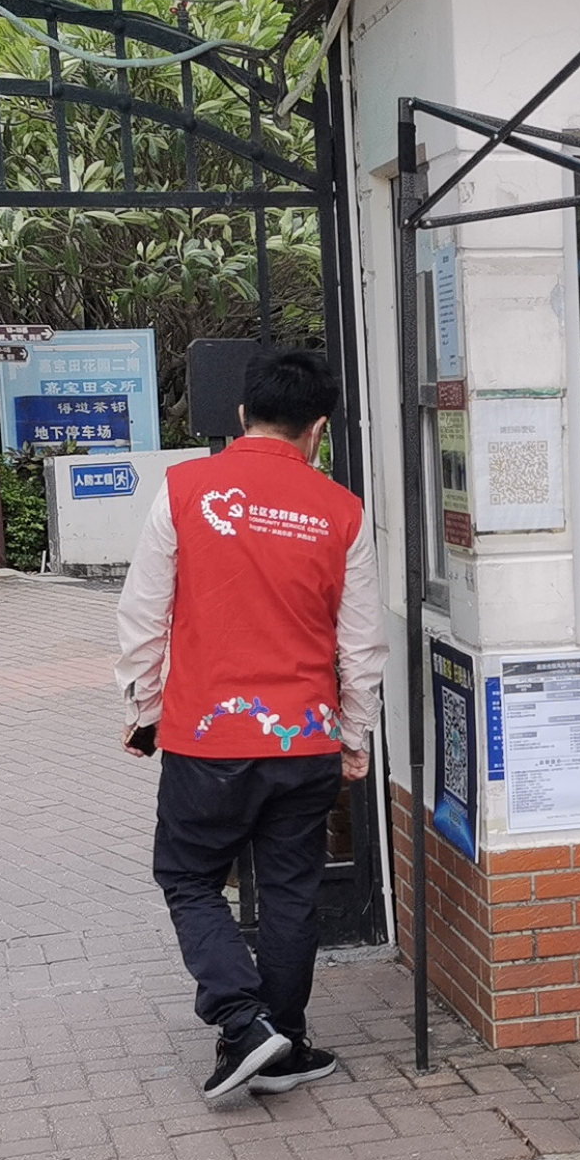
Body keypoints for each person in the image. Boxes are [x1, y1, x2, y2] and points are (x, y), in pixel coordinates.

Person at [115, 346, 385, 1101]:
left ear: (241, 415)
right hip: (305, 740)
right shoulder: (342, 511)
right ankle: (284, 1041)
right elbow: (362, 645)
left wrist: (143, 713)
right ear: (319, 428)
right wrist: (354, 736)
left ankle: (242, 1022)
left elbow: (142, 615)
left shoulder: (184, 490)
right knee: (292, 891)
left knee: (187, 875)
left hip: (207, 740)